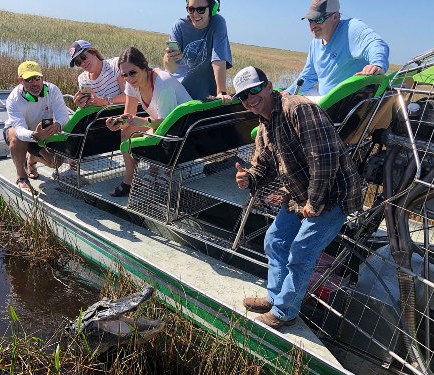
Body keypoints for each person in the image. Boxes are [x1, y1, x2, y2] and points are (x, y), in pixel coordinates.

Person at [233, 66, 362, 328]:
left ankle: (284, 311)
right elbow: (263, 167)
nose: (249, 98)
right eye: (243, 95)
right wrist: (249, 178)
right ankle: (274, 297)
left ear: (269, 86)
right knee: (275, 240)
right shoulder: (265, 125)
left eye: (254, 89)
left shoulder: (298, 108)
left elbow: (324, 159)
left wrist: (314, 203)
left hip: (333, 195)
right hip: (300, 195)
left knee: (301, 250)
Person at [105, 47, 192, 197]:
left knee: (148, 133)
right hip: (165, 128)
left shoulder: (163, 84)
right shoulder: (131, 84)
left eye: (132, 73)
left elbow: (168, 124)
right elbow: (128, 116)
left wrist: (142, 122)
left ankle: (160, 169)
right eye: (124, 75)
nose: (129, 78)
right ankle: (130, 180)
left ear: (144, 66)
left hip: (182, 133)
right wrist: (117, 123)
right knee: (125, 132)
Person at [283, 0, 389, 101]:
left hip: (349, 102)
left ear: (335, 17)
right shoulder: (315, 43)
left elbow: (376, 44)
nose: (313, 25)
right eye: (310, 20)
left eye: (319, 19)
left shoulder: (351, 29)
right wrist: (288, 92)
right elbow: (308, 76)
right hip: (325, 99)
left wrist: (377, 64)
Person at [3, 61, 70, 193]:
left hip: (44, 133)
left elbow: (64, 116)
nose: (34, 83)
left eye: (37, 78)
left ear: (42, 78)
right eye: (29, 79)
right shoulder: (13, 99)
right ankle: (22, 177)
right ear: (21, 80)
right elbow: (20, 129)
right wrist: (35, 135)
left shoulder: (53, 90)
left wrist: (58, 125)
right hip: (24, 134)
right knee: (16, 137)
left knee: (55, 163)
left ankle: (31, 159)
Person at [163, 0, 232, 102]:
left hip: (206, 97)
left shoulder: (218, 22)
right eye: (191, 9)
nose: (195, 14)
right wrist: (168, 59)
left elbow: (218, 58)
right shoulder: (179, 26)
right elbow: (171, 70)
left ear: (212, 9)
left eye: (201, 10)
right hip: (177, 94)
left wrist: (221, 92)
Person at [68, 39, 126, 107]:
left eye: (83, 57)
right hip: (99, 117)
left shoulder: (115, 64)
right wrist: (83, 104)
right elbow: (90, 104)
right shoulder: (83, 79)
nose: (83, 63)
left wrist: (104, 101)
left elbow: (129, 96)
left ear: (93, 52)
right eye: (78, 62)